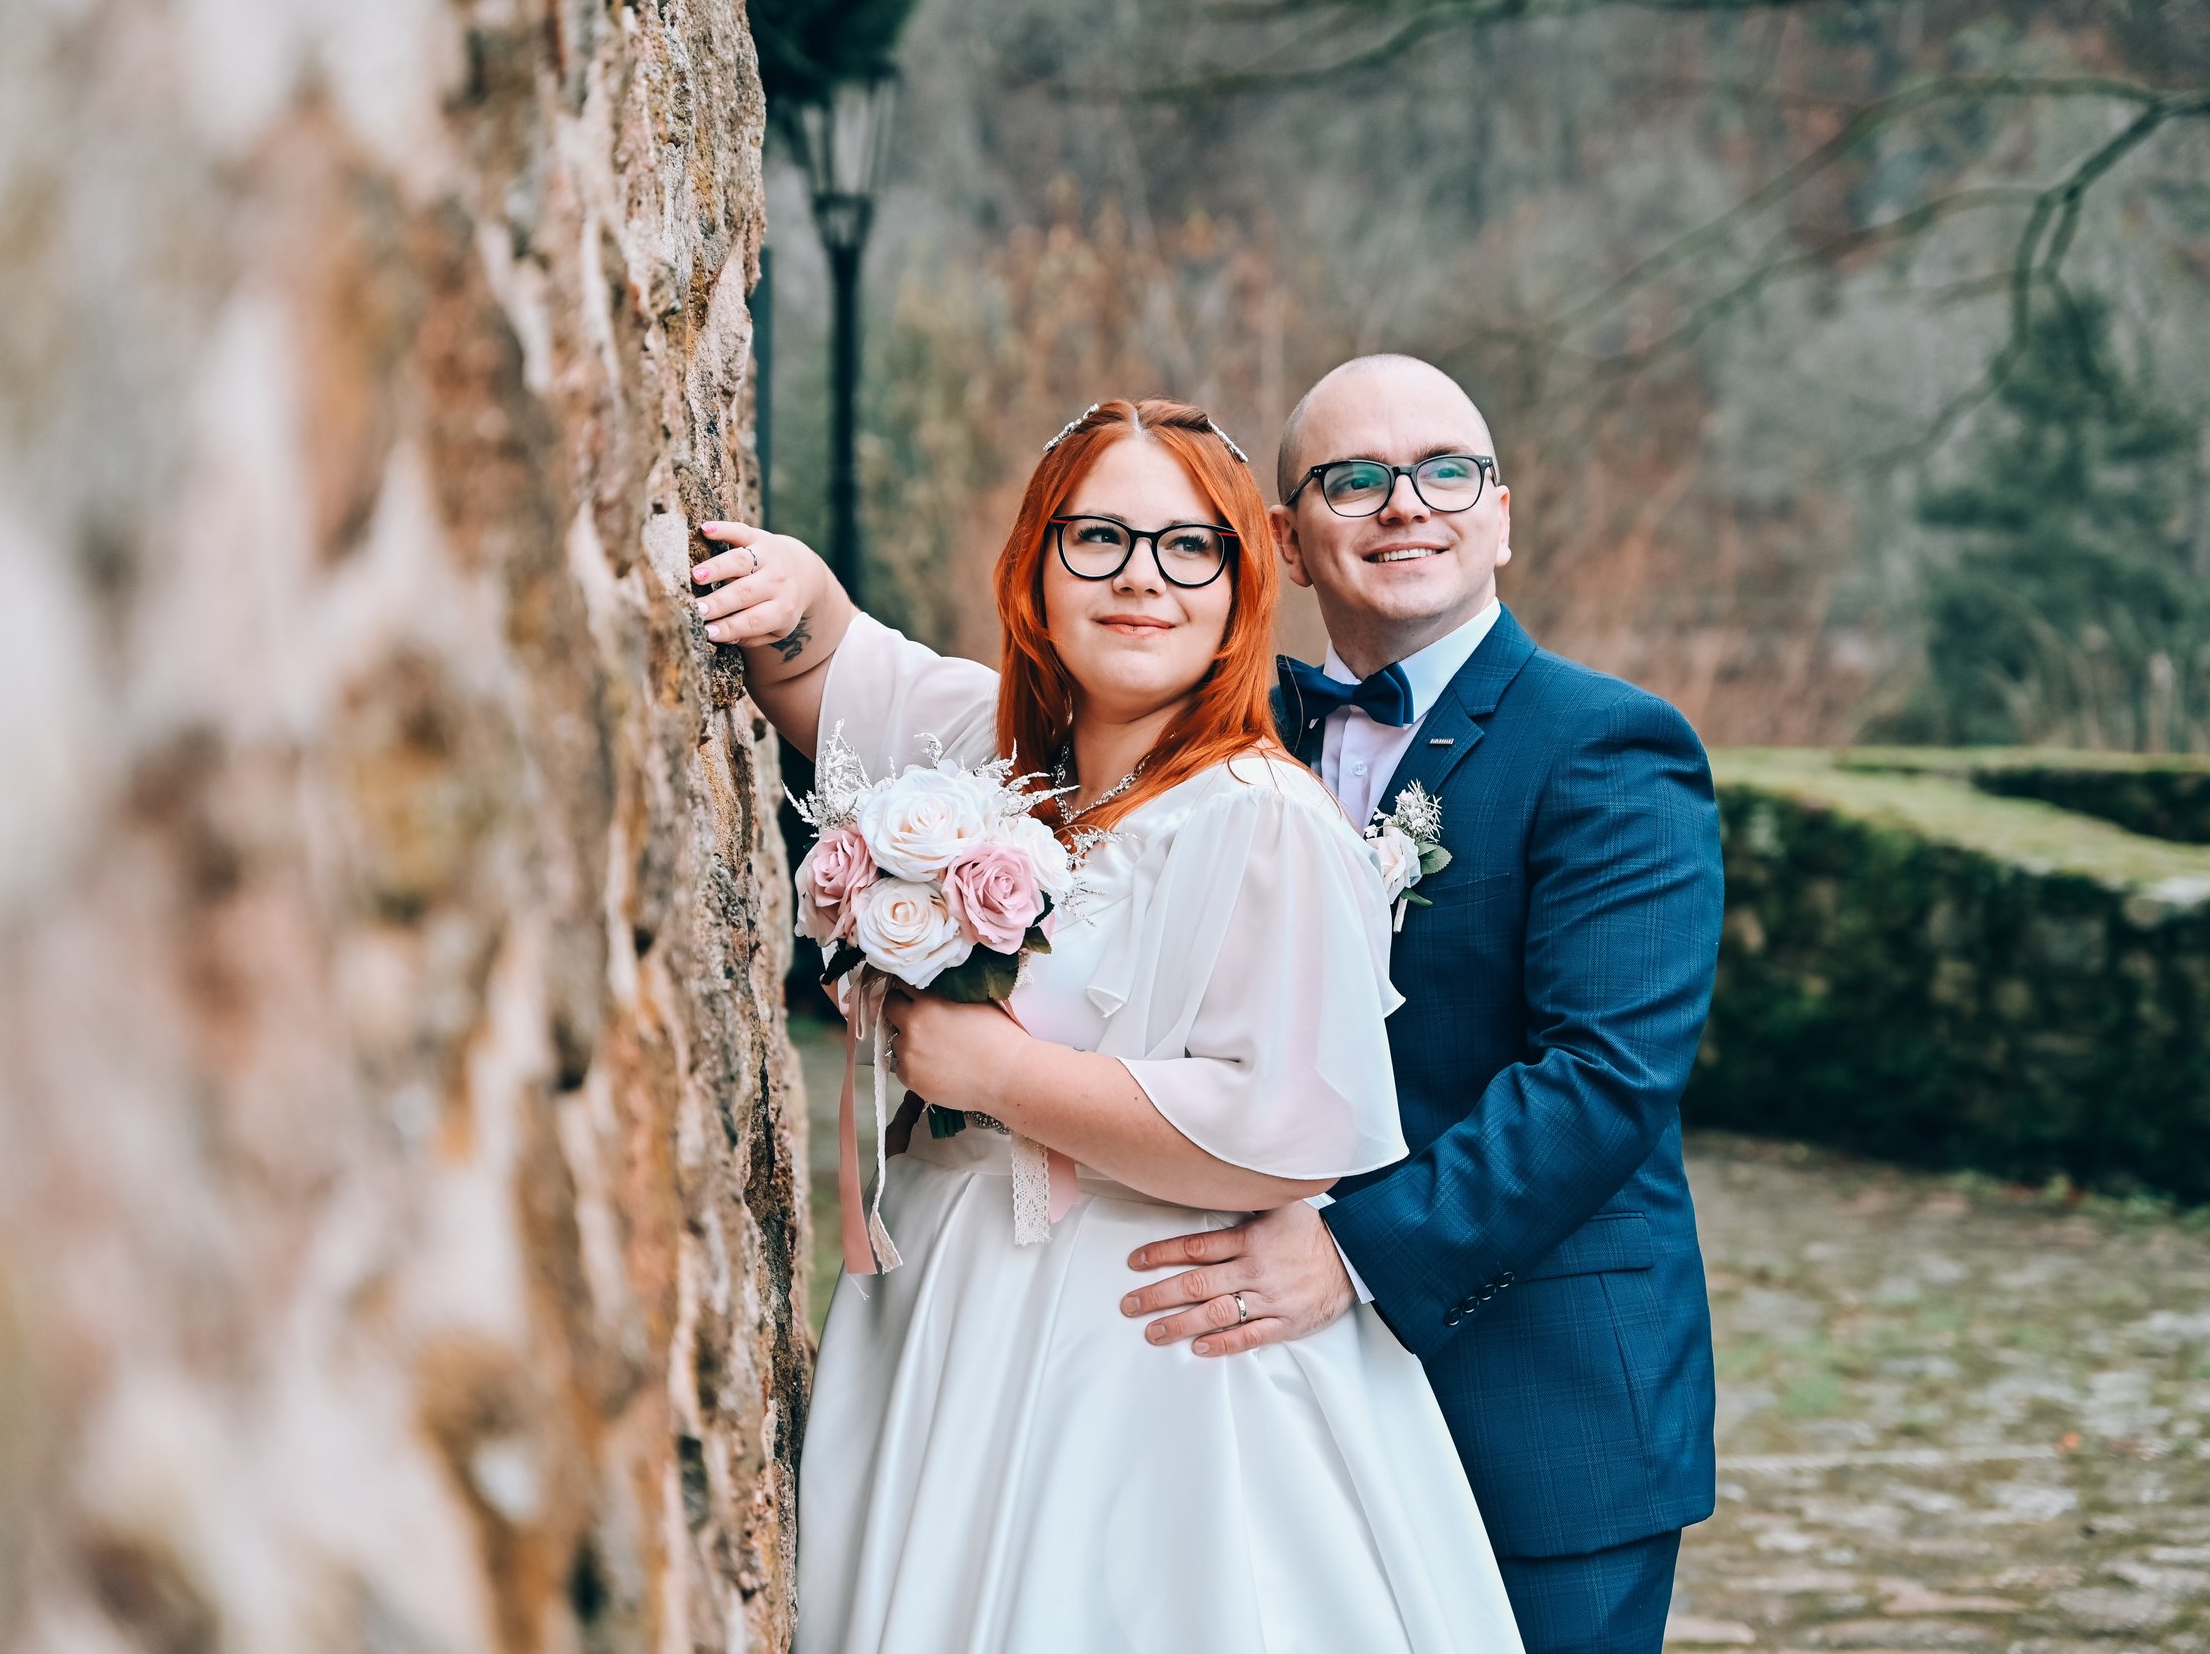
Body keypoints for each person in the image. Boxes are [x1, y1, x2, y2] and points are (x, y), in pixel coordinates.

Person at [693, 398, 1524, 1653]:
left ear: (1242, 586)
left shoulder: (1262, 817)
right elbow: (827, 670)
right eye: (1100, 540)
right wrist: (795, 590)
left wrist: (1007, 1074)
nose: (1143, 579)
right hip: (948, 1314)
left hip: (1152, 1352)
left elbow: (1291, 1136)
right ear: (1037, 564)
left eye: (1190, 547)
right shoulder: (985, 748)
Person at [1116, 356, 1724, 1654]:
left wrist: (1347, 1252)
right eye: (1355, 477)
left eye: (1447, 469)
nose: (1407, 503)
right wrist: (809, 640)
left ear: (1500, 512)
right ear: (1285, 538)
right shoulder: (1228, 733)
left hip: (1540, 1389)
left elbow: (1606, 1077)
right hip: (1265, 1394)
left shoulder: (1611, 744)